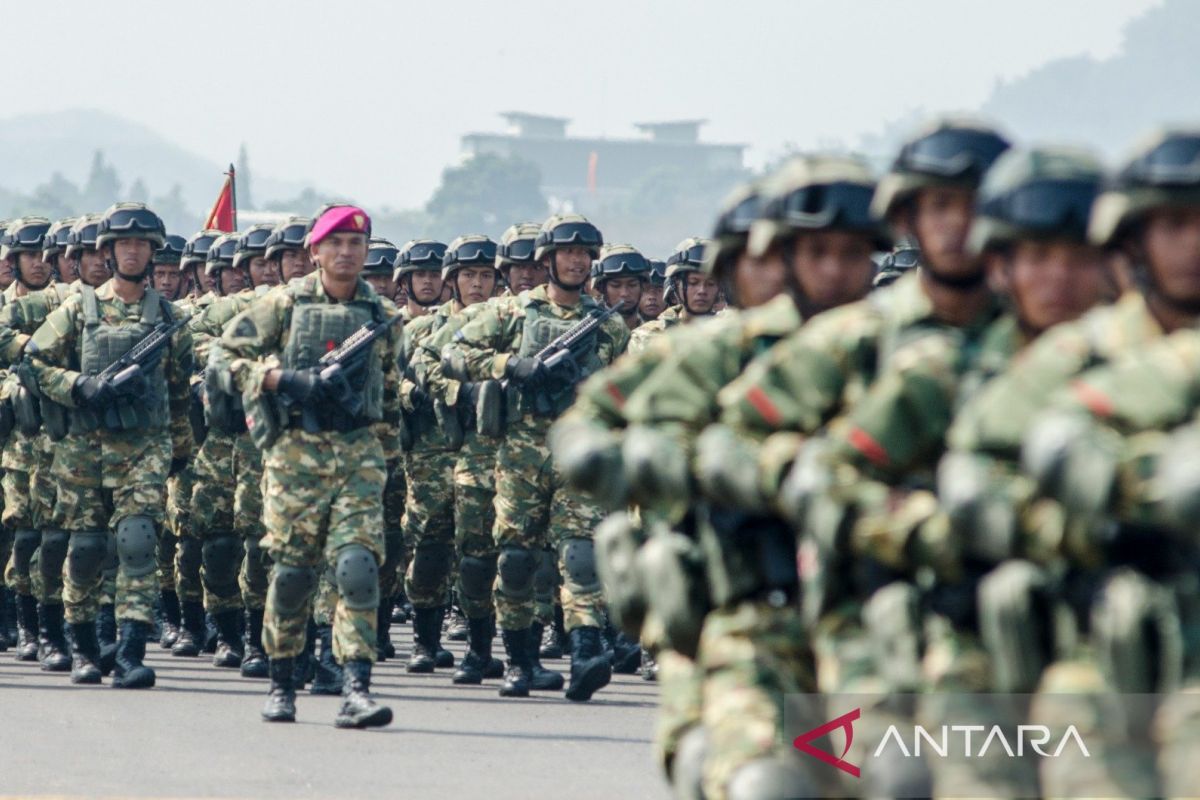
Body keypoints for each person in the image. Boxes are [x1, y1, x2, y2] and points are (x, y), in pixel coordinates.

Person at [210, 204, 396, 728]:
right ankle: (283, 679)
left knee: (357, 568)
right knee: (293, 575)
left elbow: (389, 391)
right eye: (335, 244)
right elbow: (221, 360)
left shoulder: (382, 315)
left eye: (356, 244)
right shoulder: (283, 304)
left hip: (358, 454)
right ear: (314, 251)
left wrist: (389, 455)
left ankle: (356, 686)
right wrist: (282, 381)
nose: (346, 253)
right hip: (295, 456)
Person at [440, 214, 629, 701]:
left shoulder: (604, 326)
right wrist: (512, 366)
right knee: (516, 560)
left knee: (580, 554)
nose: (575, 261)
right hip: (520, 454)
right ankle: (521, 661)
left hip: (577, 450)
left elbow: (626, 386)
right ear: (547, 261)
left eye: (584, 254)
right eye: (566, 253)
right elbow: (455, 354)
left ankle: (587, 650)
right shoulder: (512, 314)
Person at [26, 202, 194, 688]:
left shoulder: (169, 318)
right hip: (82, 450)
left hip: (143, 448)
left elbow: (180, 391)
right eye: (125, 244)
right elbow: (32, 365)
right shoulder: (79, 310)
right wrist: (78, 386)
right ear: (108, 250)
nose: (134, 251)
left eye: (143, 244)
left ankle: (129, 652)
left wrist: (179, 451)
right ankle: (83, 648)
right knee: (85, 550)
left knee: (138, 544)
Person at [627, 238, 718, 354]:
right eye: (693, 282)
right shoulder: (647, 337)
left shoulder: (733, 334)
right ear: (675, 285)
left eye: (710, 284)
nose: (702, 290)